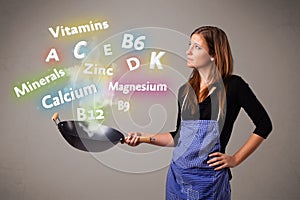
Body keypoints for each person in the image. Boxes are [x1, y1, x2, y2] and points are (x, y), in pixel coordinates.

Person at [125, 26, 272, 200]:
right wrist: (143, 137)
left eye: (196, 47)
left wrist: (235, 159)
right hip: (178, 178)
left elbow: (264, 125)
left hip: (209, 181)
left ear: (213, 54)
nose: (188, 51)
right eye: (189, 45)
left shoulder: (234, 86)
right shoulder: (185, 91)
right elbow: (180, 138)